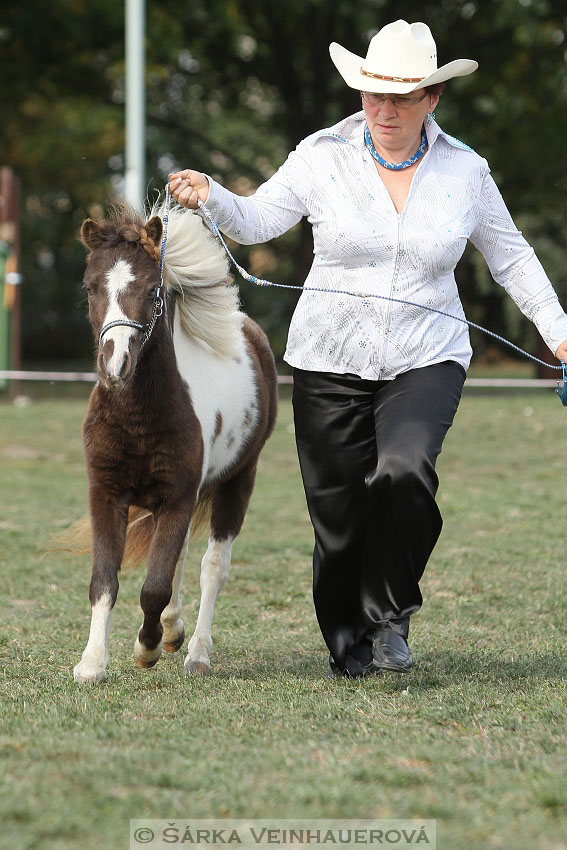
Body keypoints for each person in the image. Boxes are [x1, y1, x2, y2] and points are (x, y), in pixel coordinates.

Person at [169, 20, 567, 679]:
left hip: (426, 353)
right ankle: (349, 639)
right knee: (339, 520)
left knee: (404, 471)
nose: (385, 110)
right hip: (327, 354)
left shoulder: (465, 172)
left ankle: (390, 614)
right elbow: (261, 218)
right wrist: (215, 197)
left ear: (431, 99)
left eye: (402, 97)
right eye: (373, 94)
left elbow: (513, 260)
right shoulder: (321, 156)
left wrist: (560, 331)